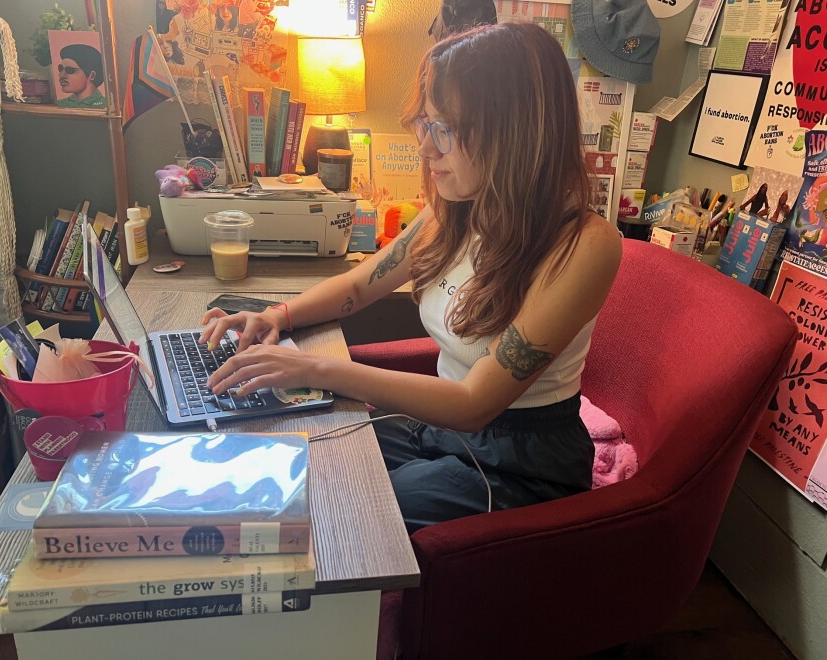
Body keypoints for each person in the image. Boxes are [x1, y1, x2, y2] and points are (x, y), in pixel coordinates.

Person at [200, 22, 622, 533]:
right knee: (296, 459)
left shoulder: (584, 245)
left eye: (444, 129)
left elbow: (474, 405)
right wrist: (276, 316)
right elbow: (360, 286)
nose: (425, 148)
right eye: (425, 125)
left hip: (520, 462)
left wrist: (316, 369)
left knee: (340, 505)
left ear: (513, 133)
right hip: (440, 429)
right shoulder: (455, 208)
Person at [55, 44, 105, 109]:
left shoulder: (108, 105)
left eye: (70, 70)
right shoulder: (60, 105)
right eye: (60, 69)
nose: (61, 75)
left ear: (92, 75)